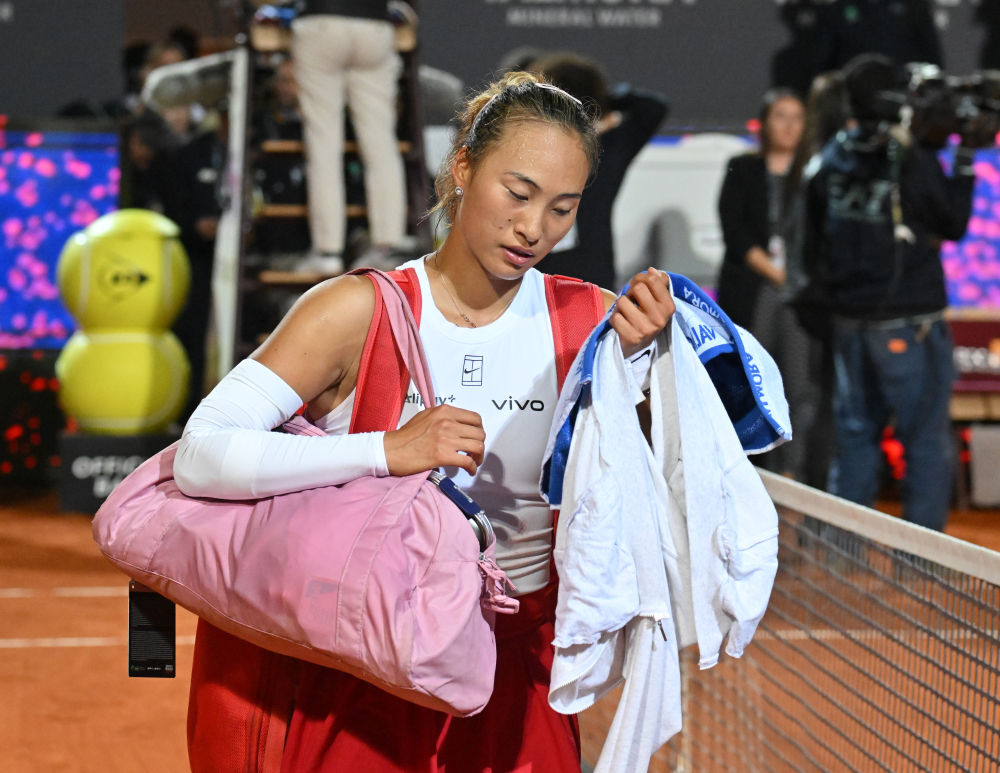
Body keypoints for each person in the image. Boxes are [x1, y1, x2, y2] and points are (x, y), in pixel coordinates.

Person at [173, 71, 676, 772]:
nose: (534, 228)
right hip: (368, 674)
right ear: (463, 167)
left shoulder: (591, 320)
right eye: (518, 193)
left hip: (517, 676)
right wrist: (385, 450)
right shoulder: (354, 310)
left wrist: (646, 371)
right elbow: (200, 454)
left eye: (563, 208)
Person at [803, 53, 980, 531]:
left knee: (855, 438)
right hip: (909, 324)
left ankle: (844, 551)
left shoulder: (829, 160)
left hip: (849, 324)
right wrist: (965, 158)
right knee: (924, 440)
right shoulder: (909, 161)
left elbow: (814, 245)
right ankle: (923, 558)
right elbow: (953, 223)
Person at [716, 88, 821, 483]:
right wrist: (778, 274)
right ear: (764, 122)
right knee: (752, 379)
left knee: (798, 383)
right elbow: (735, 231)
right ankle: (748, 474)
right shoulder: (743, 168)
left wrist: (797, 277)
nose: (790, 125)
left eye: (798, 117)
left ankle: (792, 473)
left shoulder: (816, 173)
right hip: (754, 288)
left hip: (801, 295)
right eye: (781, 116)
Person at [530, 51, 669, 290]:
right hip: (592, 270)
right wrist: (601, 98)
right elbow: (652, 107)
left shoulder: (528, 150)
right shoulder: (609, 148)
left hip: (536, 265)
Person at [291, 0, 409, 275]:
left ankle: (327, 252)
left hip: (322, 20)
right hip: (375, 24)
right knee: (381, 144)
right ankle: (387, 247)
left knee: (323, 143)